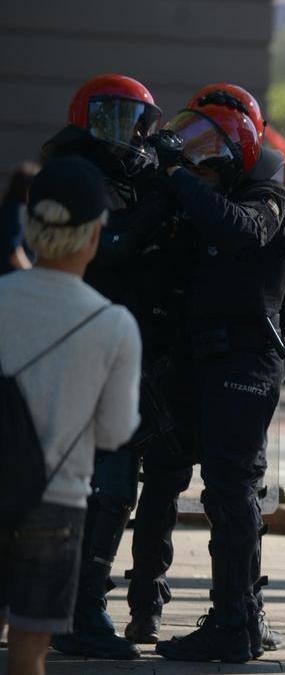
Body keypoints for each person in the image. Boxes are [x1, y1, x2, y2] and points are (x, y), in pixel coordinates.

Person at [124, 83, 285, 649]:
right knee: (163, 479)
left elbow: (239, 232)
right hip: (186, 360)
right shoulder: (189, 199)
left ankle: (235, 621)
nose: (194, 166)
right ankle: (144, 605)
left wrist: (177, 179)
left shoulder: (271, 200)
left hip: (242, 363)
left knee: (231, 489)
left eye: (204, 156)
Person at [41, 73, 178, 660]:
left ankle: (77, 602)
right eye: (117, 119)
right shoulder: (72, 174)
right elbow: (111, 244)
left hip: (122, 341)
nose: (130, 135)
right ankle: (77, 608)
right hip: (78, 339)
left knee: (115, 484)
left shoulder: (131, 175)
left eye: (137, 121)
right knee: (101, 482)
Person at [0, 156, 142, 675]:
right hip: (56, 502)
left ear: (30, 226)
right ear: (93, 235)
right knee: (28, 658)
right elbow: (115, 431)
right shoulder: (114, 325)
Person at [0, 162, 38, 275]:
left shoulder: (7, 207)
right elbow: (14, 251)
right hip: (12, 276)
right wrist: (31, 274)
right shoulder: (17, 211)